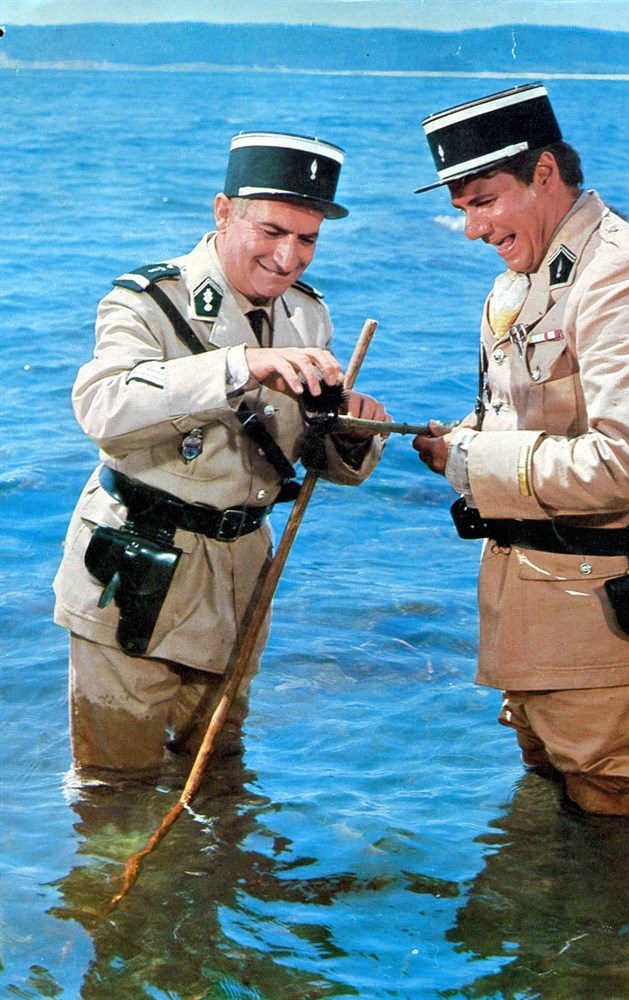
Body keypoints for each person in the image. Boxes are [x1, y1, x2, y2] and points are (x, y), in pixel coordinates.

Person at [412, 85, 629, 817]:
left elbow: (624, 466)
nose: (471, 228)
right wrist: (456, 439)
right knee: (552, 838)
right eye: (462, 208)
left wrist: (469, 462)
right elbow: (533, 417)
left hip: (612, 623)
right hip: (540, 613)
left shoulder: (626, 277)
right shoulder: (526, 279)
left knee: (607, 851)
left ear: (545, 173)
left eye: (484, 200)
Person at [54, 131, 389, 781]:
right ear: (223, 212)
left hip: (241, 575)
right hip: (139, 570)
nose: (289, 258)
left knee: (218, 769)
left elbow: (299, 450)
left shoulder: (308, 316)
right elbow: (102, 407)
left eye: (308, 239)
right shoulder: (150, 301)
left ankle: (216, 882)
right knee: (115, 785)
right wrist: (238, 365)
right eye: (271, 232)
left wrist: (349, 431)